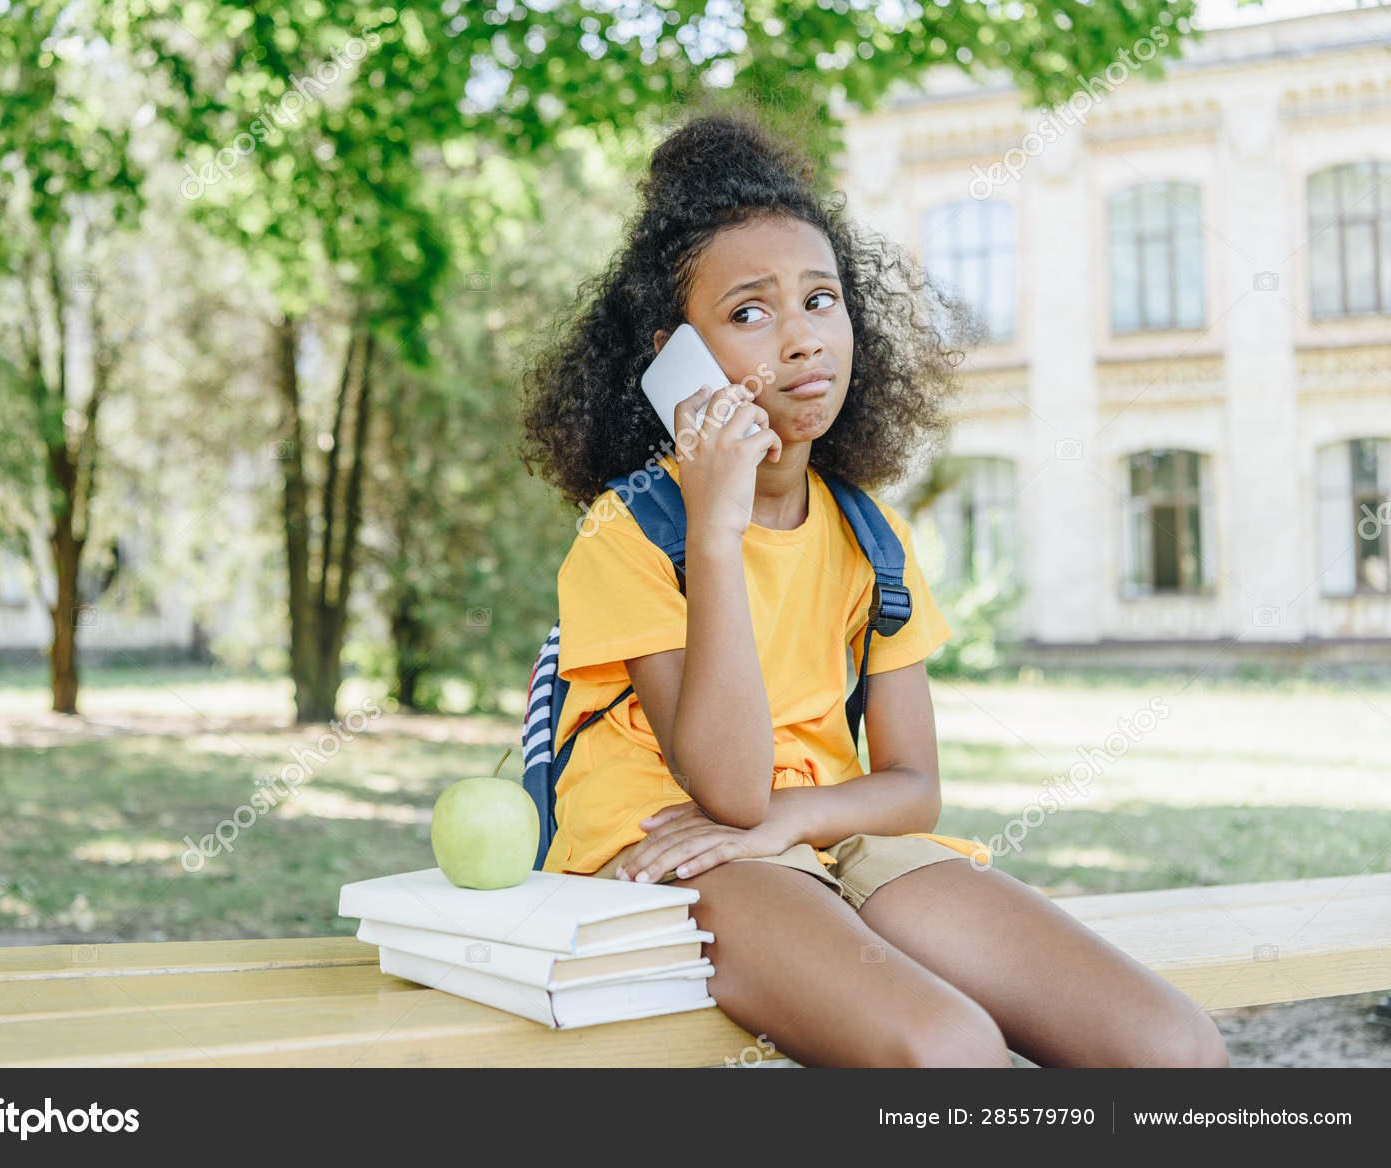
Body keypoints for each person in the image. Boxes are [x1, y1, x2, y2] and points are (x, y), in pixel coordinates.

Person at [515, 103, 1228, 1070]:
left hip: (827, 830)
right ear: (670, 362)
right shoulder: (630, 530)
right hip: (674, 847)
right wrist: (716, 534)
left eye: (822, 299)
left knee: (1172, 1049)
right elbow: (725, 792)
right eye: (749, 312)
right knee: (946, 1052)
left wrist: (801, 816)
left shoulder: (870, 537)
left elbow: (915, 787)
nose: (803, 338)